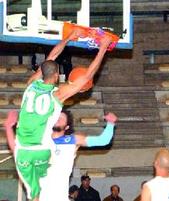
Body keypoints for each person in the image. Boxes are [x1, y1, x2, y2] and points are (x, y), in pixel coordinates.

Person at [11, 29, 112, 201]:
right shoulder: (57, 94)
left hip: (22, 148)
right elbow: (87, 75)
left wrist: (67, 38)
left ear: (43, 72)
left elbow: (50, 58)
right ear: (57, 76)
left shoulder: (30, 84)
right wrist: (103, 47)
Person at [4, 110, 117, 201]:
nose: (58, 118)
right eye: (55, 116)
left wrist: (111, 124)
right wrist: (8, 127)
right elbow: (16, 149)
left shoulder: (73, 140)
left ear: (67, 127)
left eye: (61, 117)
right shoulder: (39, 141)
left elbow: (103, 140)